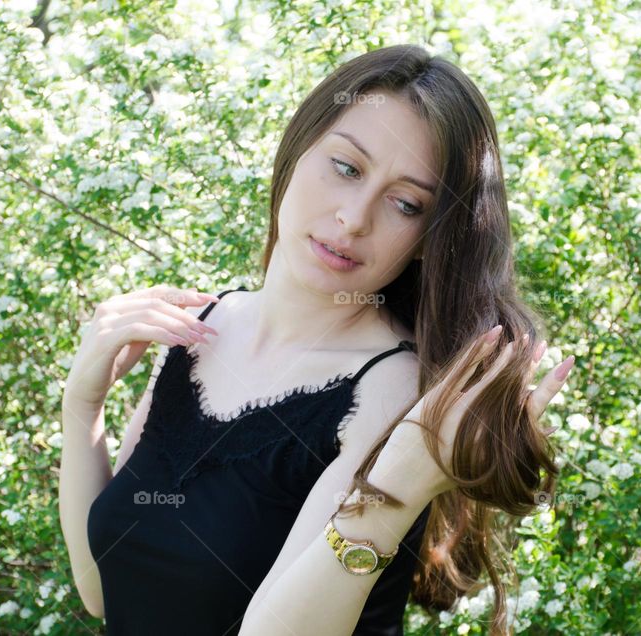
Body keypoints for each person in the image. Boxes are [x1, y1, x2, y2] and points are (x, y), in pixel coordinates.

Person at [59, 44, 575, 635]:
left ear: (430, 238)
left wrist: (397, 489)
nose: (354, 218)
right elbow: (100, 590)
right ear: (296, 149)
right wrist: (83, 406)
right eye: (347, 168)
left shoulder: (392, 388)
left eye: (406, 204)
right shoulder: (202, 326)